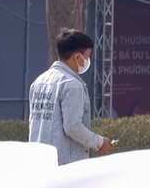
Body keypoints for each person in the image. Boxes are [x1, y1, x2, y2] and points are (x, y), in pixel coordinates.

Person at [28, 28, 114, 166]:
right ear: (77, 57)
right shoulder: (72, 85)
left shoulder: (38, 82)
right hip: (65, 163)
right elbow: (73, 127)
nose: (88, 60)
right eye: (87, 56)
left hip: (39, 160)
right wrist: (99, 142)